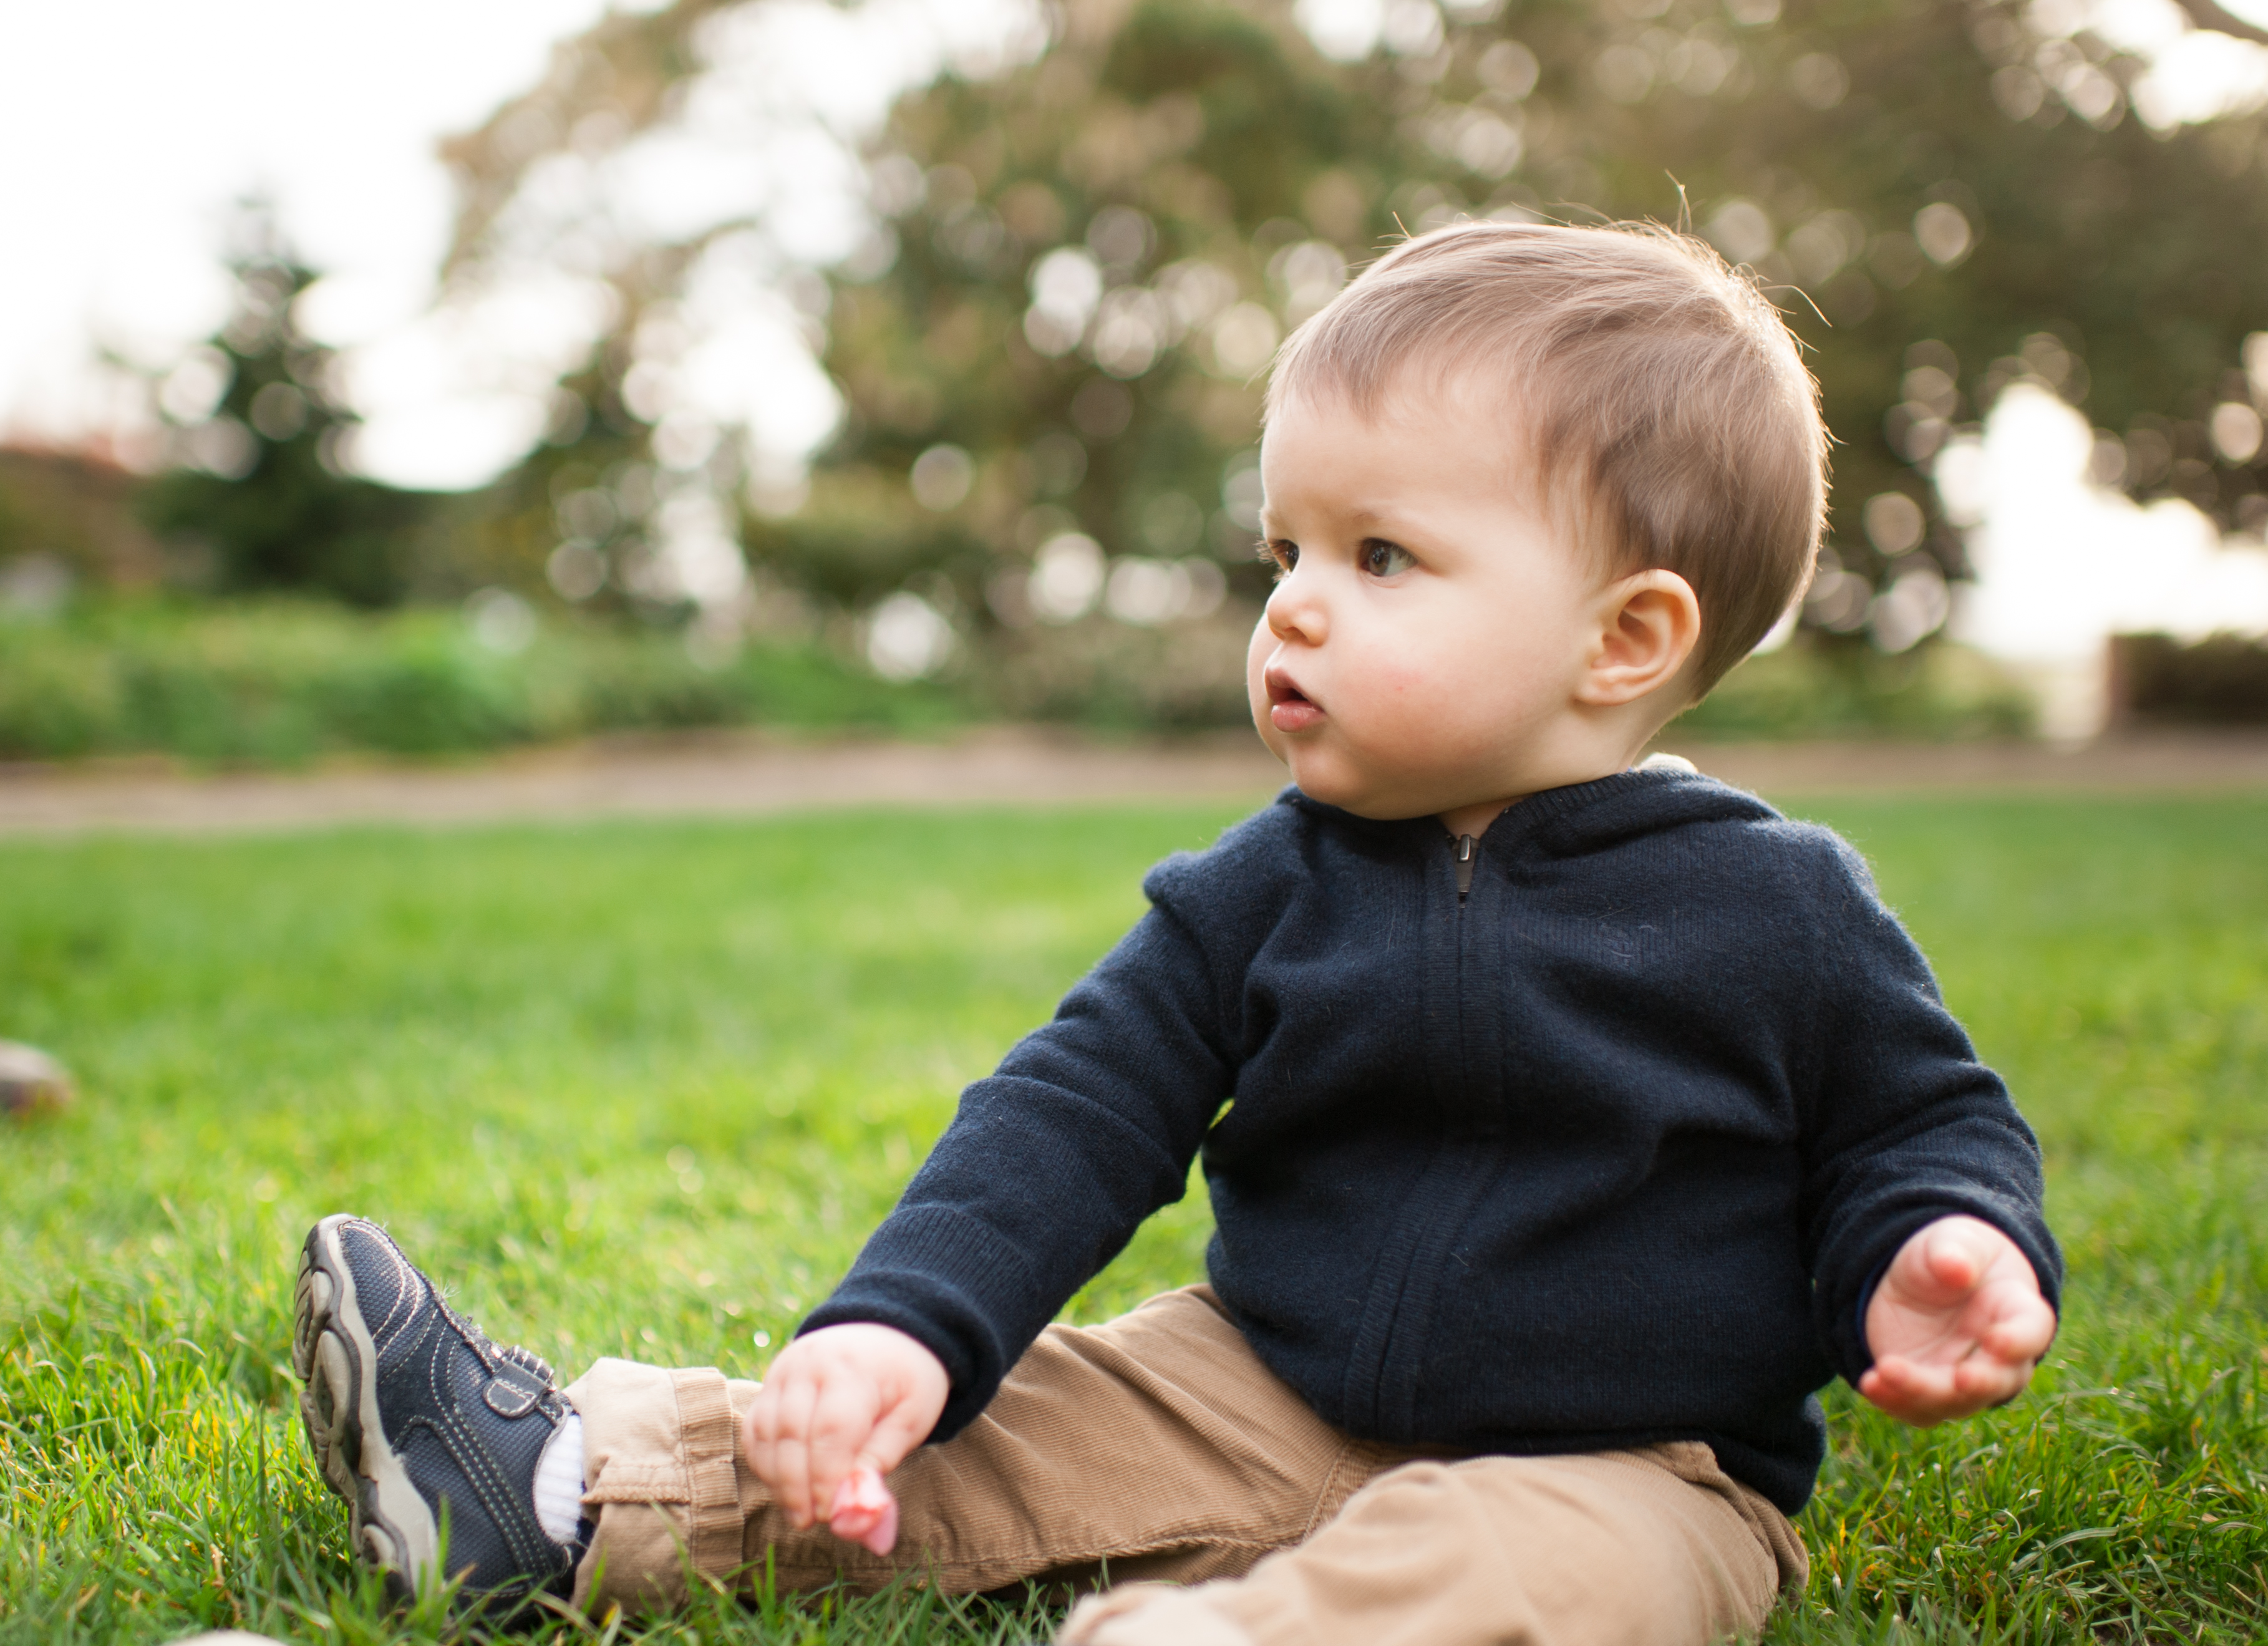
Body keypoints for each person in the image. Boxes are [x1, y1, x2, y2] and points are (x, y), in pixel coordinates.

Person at [292, 221, 2061, 1646]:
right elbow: (1070, 1114)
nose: (1291, 602)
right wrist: (900, 1330)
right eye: (1282, 545)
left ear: (1623, 637)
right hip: (1260, 1381)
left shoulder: (1777, 906)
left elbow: (1918, 1122)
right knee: (987, 1430)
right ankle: (561, 1489)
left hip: (1636, 1460)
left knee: (1539, 1571)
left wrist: (1937, 1242)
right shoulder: (1261, 890)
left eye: (1380, 556)